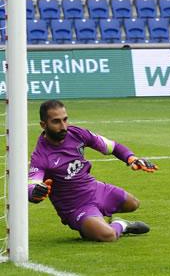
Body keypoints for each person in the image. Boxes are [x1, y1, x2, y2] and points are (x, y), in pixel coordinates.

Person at [28, 100, 157, 242]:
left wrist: (132, 159)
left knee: (133, 203)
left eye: (65, 120)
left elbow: (112, 146)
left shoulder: (77, 134)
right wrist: (36, 192)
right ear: (43, 125)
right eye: (56, 122)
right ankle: (121, 224)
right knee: (108, 236)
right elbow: (32, 185)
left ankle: (95, 223)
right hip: (75, 207)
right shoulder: (40, 156)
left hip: (95, 189)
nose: (64, 126)